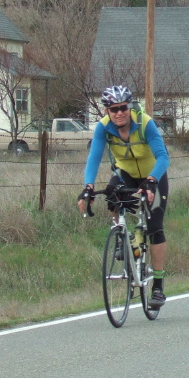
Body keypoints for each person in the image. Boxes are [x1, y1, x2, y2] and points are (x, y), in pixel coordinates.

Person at [77, 85, 170, 309]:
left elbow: (163, 157)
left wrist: (152, 180)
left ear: (129, 107)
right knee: (111, 195)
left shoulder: (145, 123)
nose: (119, 113)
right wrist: (88, 187)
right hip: (125, 173)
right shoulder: (103, 128)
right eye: (113, 109)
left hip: (153, 175)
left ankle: (157, 286)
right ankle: (120, 235)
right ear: (107, 111)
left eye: (123, 108)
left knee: (155, 227)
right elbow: (94, 159)